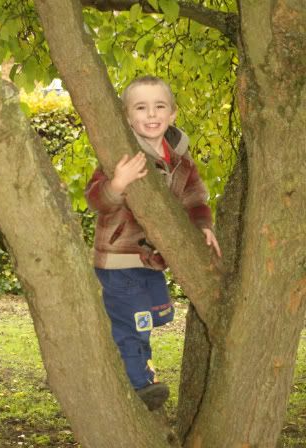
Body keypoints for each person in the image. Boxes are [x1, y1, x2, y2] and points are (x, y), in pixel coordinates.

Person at [85, 76, 221, 411]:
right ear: (127, 116)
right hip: (120, 258)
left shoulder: (181, 161)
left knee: (157, 315)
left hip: (152, 260)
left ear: (172, 114)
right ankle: (140, 383)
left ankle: (133, 353)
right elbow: (96, 199)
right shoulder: (121, 153)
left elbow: (196, 201)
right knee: (134, 322)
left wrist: (203, 226)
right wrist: (117, 183)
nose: (151, 114)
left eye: (159, 106)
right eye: (141, 107)